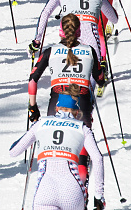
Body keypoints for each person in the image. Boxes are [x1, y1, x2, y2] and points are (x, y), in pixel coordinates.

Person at [28, 15, 104, 183]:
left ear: (61, 31)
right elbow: (100, 78)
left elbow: (32, 80)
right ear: (79, 31)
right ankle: (82, 193)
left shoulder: (50, 51)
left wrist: (32, 108)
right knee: (82, 156)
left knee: (55, 157)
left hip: (56, 103)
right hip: (81, 104)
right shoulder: (89, 50)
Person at [10, 90, 105, 210]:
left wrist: (31, 132)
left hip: (45, 191)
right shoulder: (83, 128)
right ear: (76, 112)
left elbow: (13, 151)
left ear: (56, 108)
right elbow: (98, 158)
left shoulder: (41, 124)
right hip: (72, 192)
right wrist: (99, 195)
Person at [29, 0, 117, 66]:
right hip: (92, 44)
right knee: (94, 77)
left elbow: (45, 13)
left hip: (68, 42)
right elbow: (114, 19)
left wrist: (37, 41)